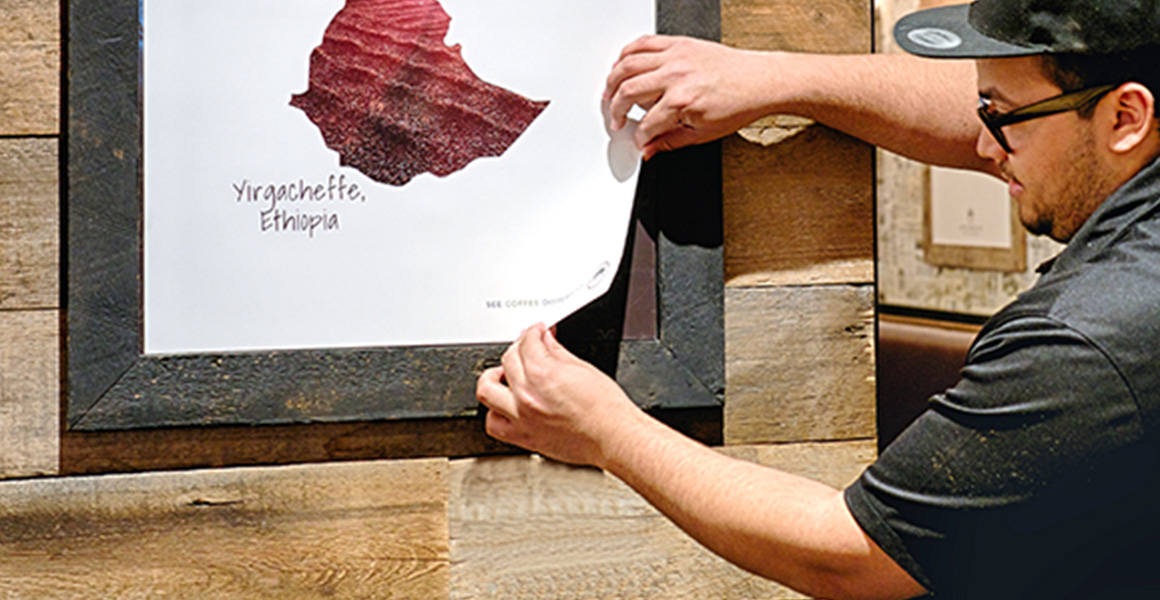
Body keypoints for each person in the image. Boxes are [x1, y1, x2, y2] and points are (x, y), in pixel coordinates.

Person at [476, 1, 1160, 598]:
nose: (984, 144)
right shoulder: (1121, 148)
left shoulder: (1088, 339)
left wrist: (606, 432)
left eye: (1002, 117)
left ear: (1127, 116)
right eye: (984, 109)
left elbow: (854, 554)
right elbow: (1032, 109)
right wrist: (781, 79)